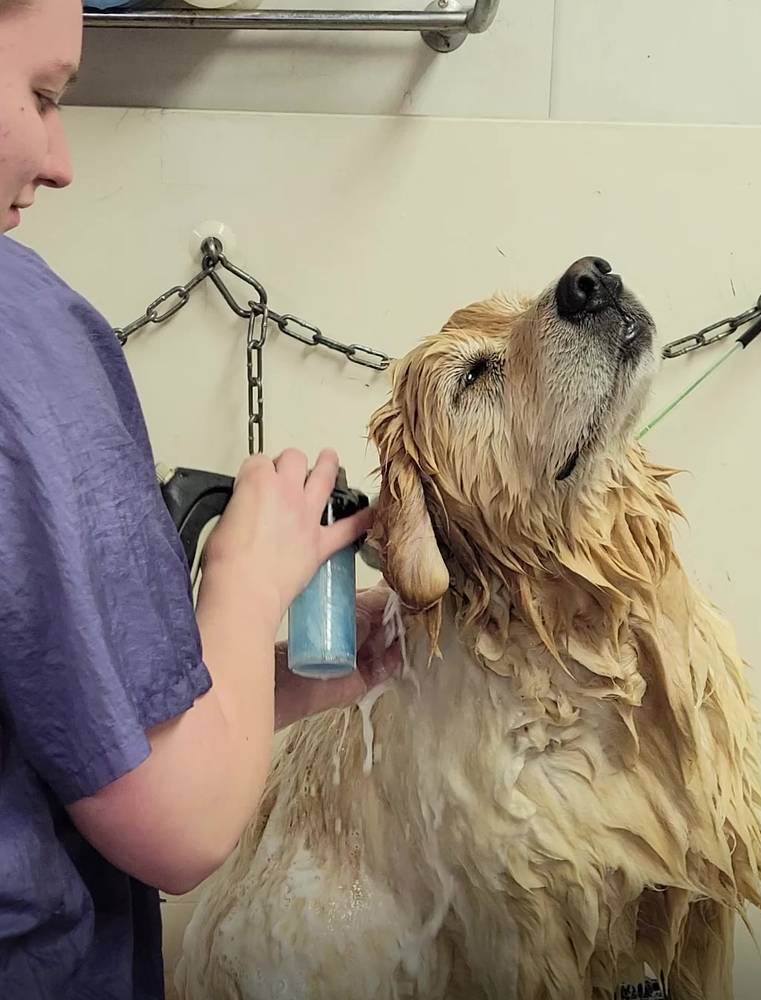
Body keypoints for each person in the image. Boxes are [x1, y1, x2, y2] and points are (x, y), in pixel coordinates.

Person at [0, 2, 400, 997]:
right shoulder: (21, 336)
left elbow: (57, 719)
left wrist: (285, 680)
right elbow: (177, 825)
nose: (61, 160)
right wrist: (244, 580)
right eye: (41, 95)